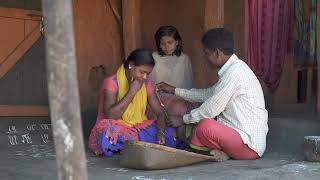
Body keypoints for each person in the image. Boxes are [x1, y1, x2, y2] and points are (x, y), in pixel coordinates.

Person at [157, 28, 268, 160]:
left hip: (248, 146)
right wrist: (174, 90)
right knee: (198, 124)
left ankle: (213, 153)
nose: (205, 58)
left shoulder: (234, 74)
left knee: (205, 125)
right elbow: (208, 94)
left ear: (217, 53)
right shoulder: (234, 69)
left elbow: (211, 109)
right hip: (237, 137)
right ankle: (222, 153)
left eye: (206, 53)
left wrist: (182, 119)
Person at [88, 49, 177, 157]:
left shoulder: (146, 84)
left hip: (138, 126)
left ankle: (134, 145)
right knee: (107, 132)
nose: (144, 77)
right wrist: (132, 91)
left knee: (170, 132)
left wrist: (160, 133)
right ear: (131, 66)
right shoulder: (112, 83)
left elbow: (160, 113)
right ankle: (140, 144)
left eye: (147, 74)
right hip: (117, 126)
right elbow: (110, 115)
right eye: (142, 72)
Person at [149, 25, 194, 117]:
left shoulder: (184, 59)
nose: (166, 46)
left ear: (177, 42)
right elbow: (148, 83)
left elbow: (188, 84)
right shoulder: (153, 57)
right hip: (157, 98)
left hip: (179, 98)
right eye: (163, 44)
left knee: (180, 109)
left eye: (170, 42)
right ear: (158, 44)